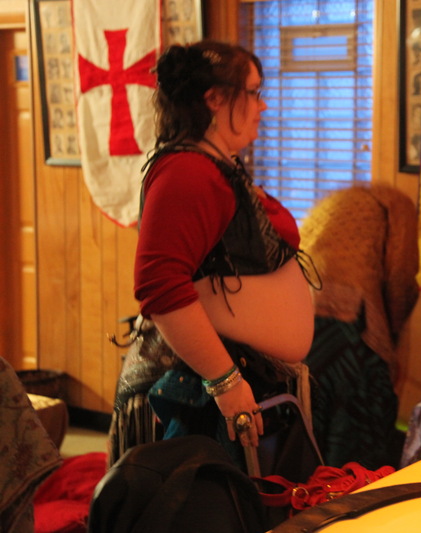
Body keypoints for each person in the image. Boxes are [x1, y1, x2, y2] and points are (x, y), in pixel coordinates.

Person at [108, 40, 317, 469]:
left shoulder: (214, 164)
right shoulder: (187, 172)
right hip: (194, 394)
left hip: (232, 379)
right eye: (253, 92)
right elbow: (159, 287)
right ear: (215, 99)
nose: (262, 105)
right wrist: (225, 382)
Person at [300, 185, 419, 470]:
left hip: (303, 319)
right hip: (353, 325)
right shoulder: (399, 207)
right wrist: (393, 337)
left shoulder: (333, 202)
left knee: (311, 419)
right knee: (358, 434)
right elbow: (401, 280)